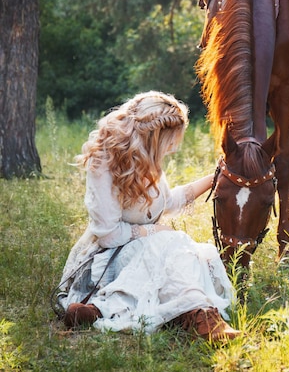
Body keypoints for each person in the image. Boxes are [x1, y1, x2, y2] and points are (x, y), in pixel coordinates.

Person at [55, 91, 240, 342]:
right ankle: (196, 315)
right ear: (155, 137)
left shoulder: (148, 159)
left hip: (149, 247)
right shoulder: (103, 162)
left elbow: (166, 203)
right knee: (174, 244)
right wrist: (153, 232)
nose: (173, 148)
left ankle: (194, 314)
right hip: (109, 255)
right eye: (171, 141)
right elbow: (108, 235)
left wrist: (213, 178)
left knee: (178, 251)